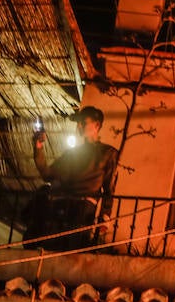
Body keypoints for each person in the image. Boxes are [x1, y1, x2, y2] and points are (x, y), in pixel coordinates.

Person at [30, 105, 119, 251]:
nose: (79, 126)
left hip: (83, 209)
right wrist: (38, 147)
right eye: (78, 123)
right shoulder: (72, 154)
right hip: (60, 206)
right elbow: (47, 174)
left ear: (97, 125)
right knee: (52, 250)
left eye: (83, 122)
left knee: (73, 251)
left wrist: (105, 217)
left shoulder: (108, 153)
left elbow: (109, 188)